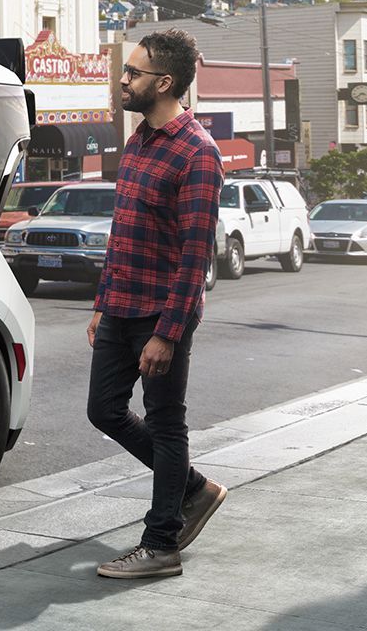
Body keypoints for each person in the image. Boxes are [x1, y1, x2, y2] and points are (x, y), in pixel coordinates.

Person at [90, 30, 227, 580]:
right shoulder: (138, 141)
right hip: (120, 305)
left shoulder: (197, 152)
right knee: (104, 409)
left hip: (160, 313)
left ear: (164, 82)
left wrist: (167, 333)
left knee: (167, 424)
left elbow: (195, 257)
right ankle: (193, 488)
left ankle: (161, 541)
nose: (123, 80)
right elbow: (122, 231)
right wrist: (102, 302)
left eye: (133, 73)